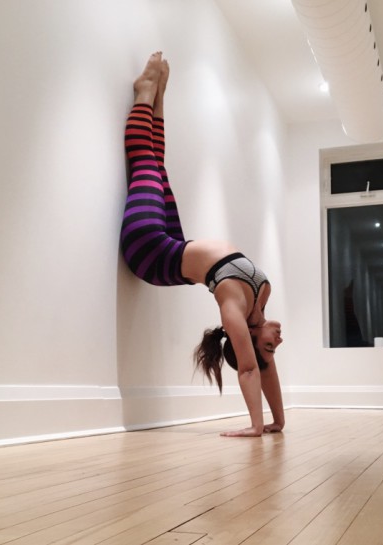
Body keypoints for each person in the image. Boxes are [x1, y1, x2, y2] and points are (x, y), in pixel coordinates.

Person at [120, 52, 285, 437]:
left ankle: (145, 92)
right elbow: (266, 369)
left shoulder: (234, 309)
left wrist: (256, 426)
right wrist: (278, 421)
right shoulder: (261, 298)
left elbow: (252, 369)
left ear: (248, 339)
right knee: (157, 164)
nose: (278, 342)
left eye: (269, 346)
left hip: (148, 252)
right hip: (173, 245)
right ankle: (158, 97)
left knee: (144, 161)